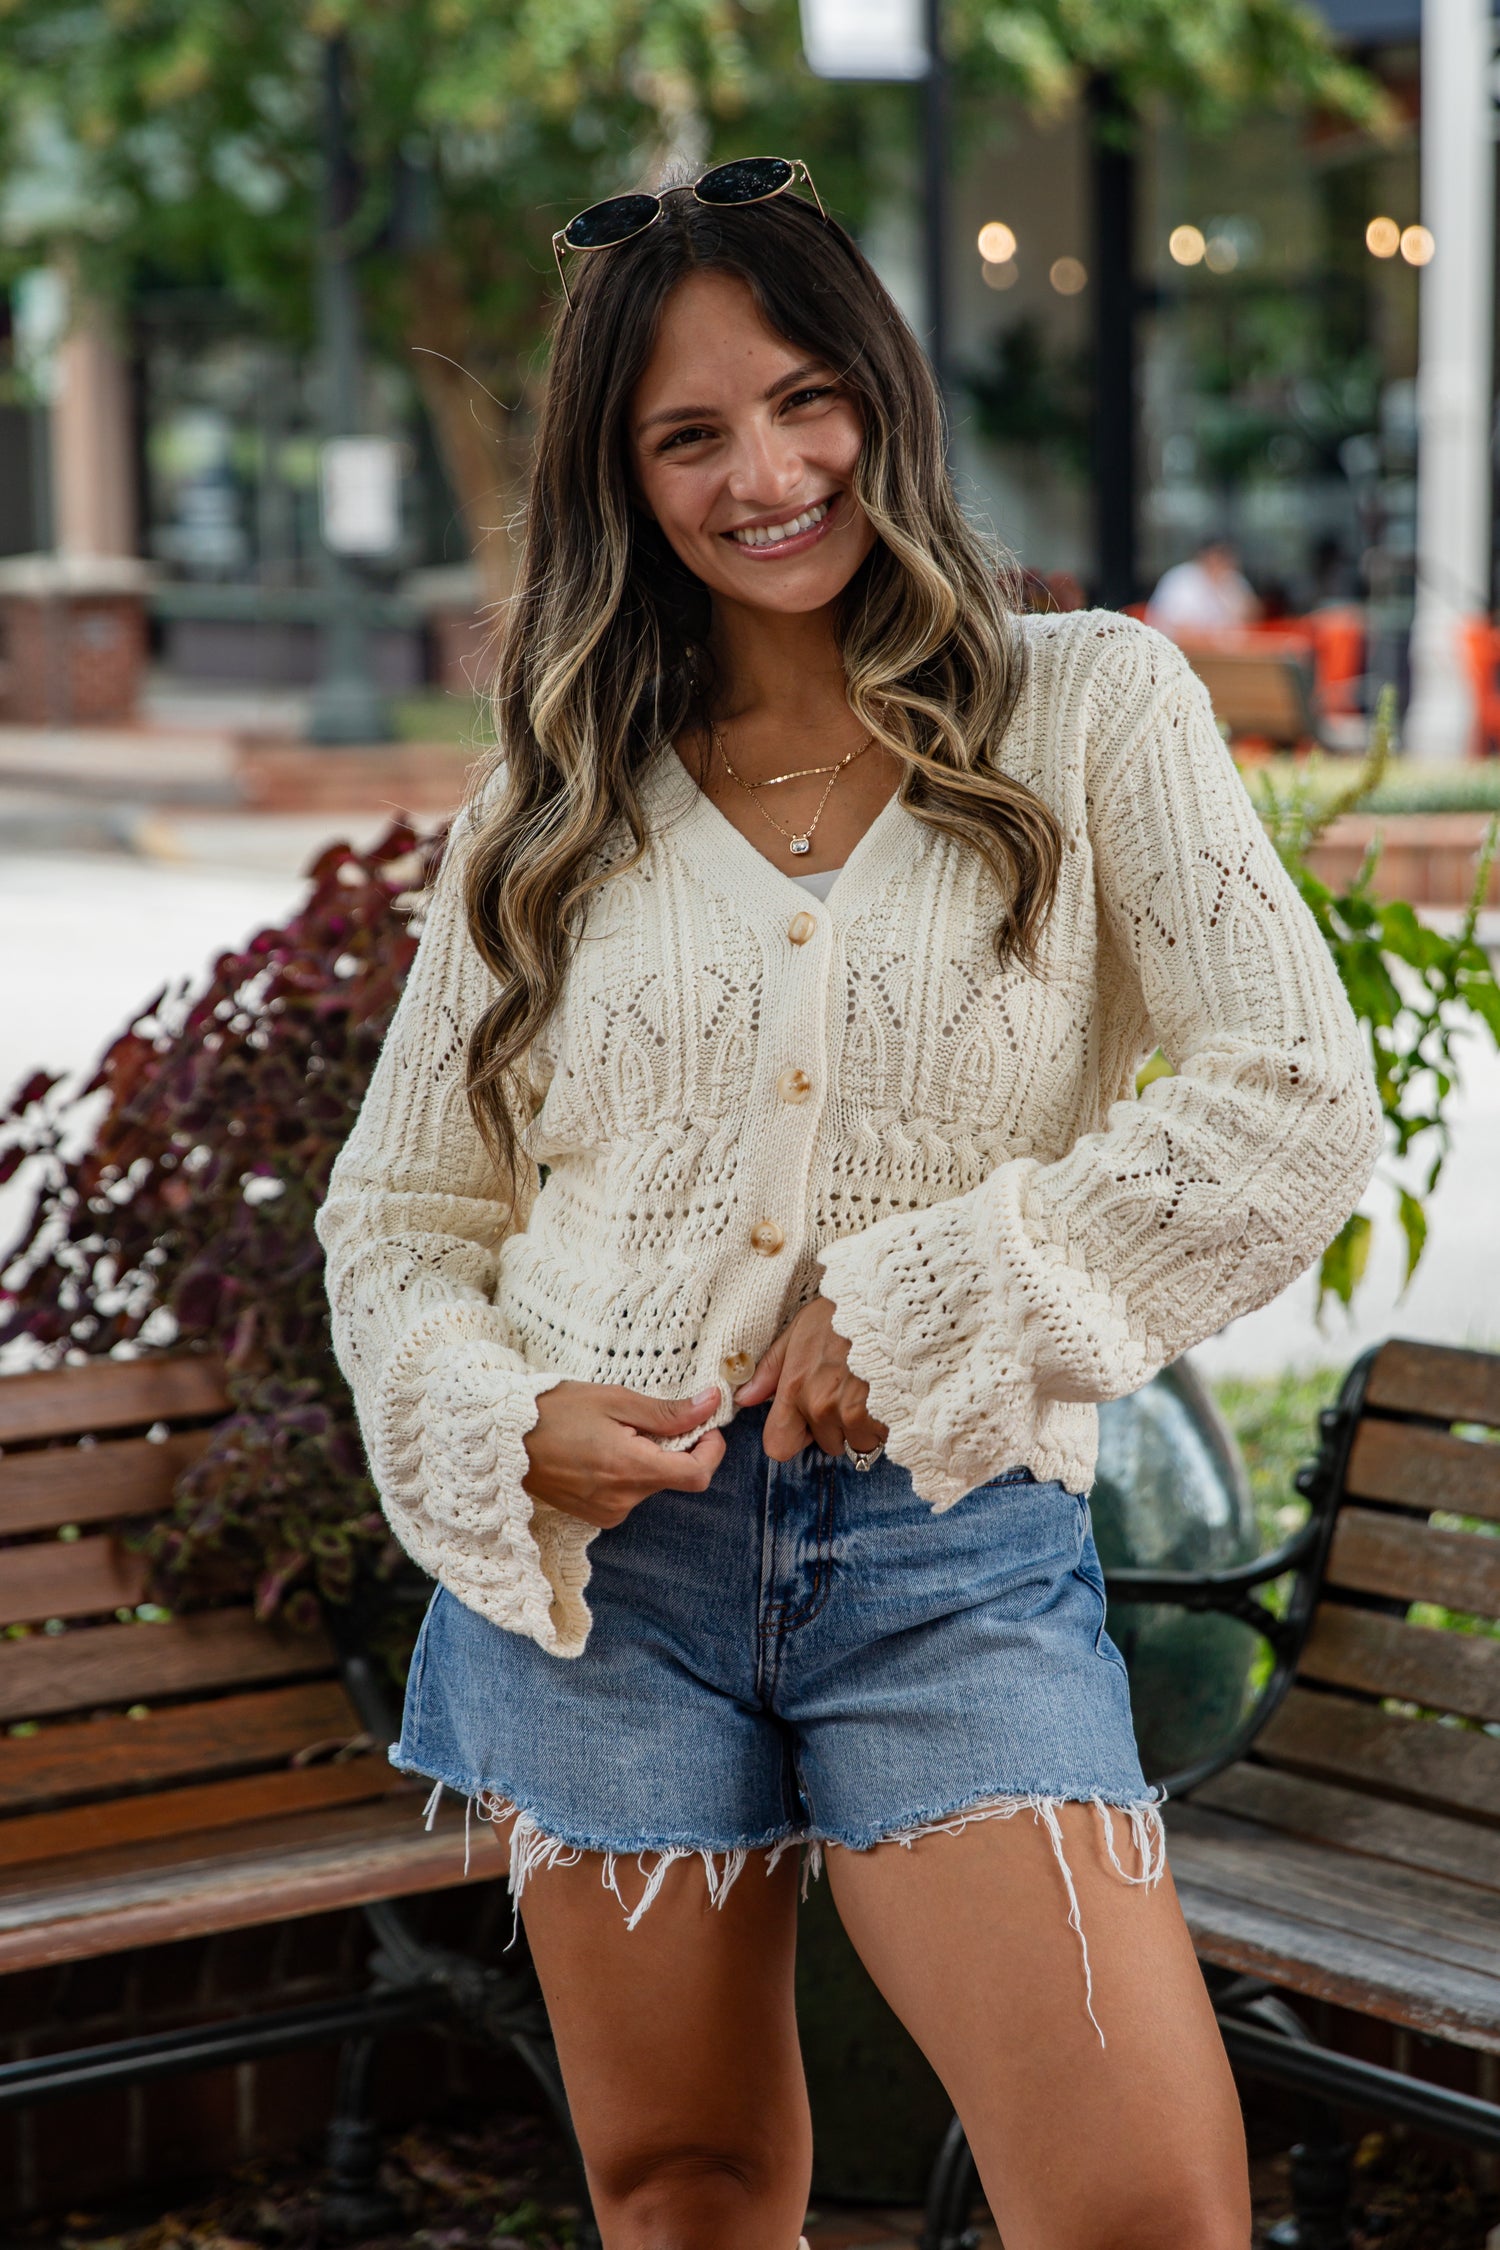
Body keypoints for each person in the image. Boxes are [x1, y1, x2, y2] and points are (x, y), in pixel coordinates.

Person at [318, 163, 1381, 2250]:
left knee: (1142, 2207)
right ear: (623, 480)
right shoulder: (556, 787)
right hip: (600, 1587)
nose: (768, 472)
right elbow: (402, 1210)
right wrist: (489, 1419)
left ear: (883, 396)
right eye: (688, 435)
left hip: (949, 1552)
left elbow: (1291, 1099)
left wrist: (925, 1308)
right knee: (685, 2185)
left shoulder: (1085, 706)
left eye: (806, 400)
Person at [1146, 537, 1261, 635]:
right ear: (1204, 556)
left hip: (1224, 654)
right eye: (1216, 557)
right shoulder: (1182, 578)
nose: (1220, 563)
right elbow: (1178, 627)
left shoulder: (1232, 579)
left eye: (1225, 557)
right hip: (1179, 651)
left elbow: (1252, 616)